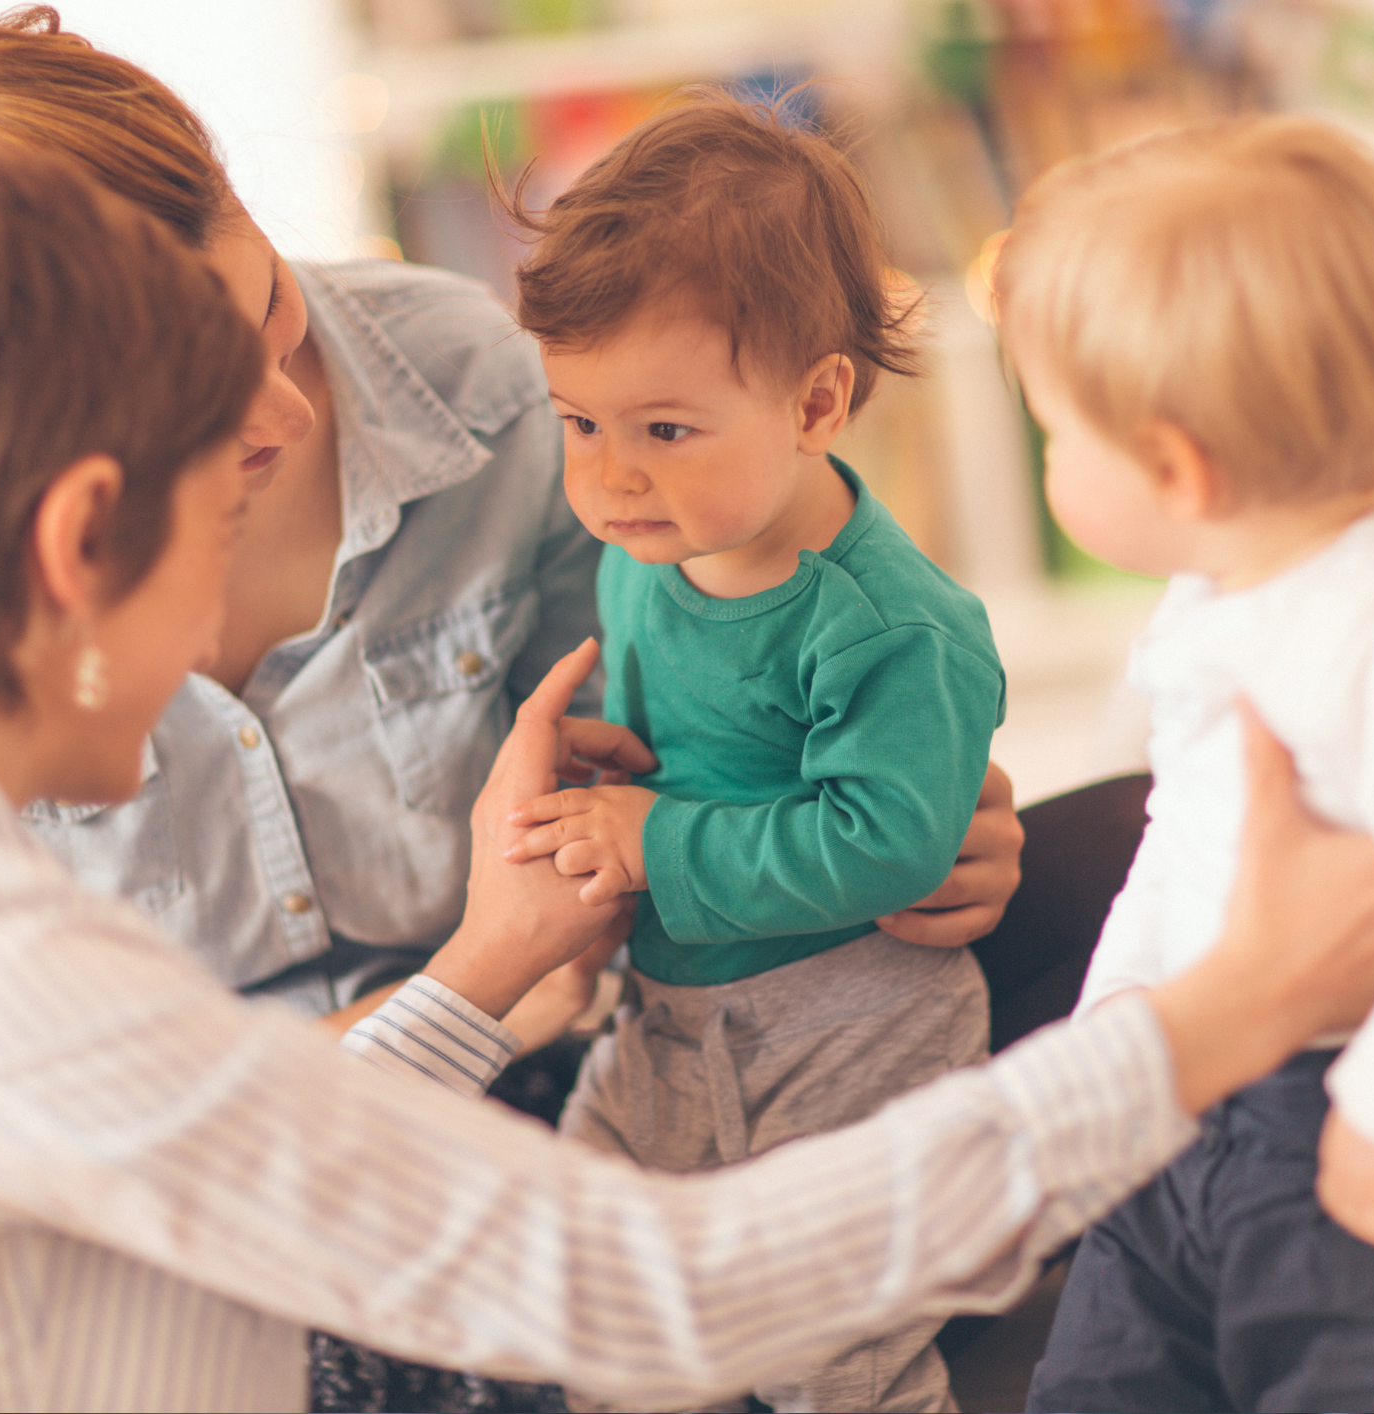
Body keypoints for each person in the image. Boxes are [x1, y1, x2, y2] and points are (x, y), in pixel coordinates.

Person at [0, 138, 1374, 1413]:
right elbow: (644, 1291)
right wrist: (1210, 1022)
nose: (222, 631)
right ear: (80, 535)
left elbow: (260, 1146)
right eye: (222, 529)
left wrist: (552, 920)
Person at [995, 117, 1374, 1414]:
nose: (1051, 454)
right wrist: (1121, 1021)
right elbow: (1186, 830)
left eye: (1054, 432)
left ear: (1176, 465)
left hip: (1367, 1113)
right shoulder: (1226, 593)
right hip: (1197, 1099)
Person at [496, 96, 1004, 1414]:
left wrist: (656, 838)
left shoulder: (894, 625)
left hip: (851, 1021)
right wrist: (618, 792)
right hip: (673, 1011)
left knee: (830, 1345)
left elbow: (888, 837)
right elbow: (692, 759)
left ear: (818, 401)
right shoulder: (640, 556)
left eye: (664, 430)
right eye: (578, 423)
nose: (611, 479)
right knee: (596, 1288)